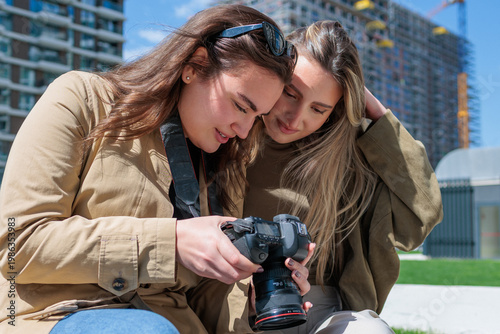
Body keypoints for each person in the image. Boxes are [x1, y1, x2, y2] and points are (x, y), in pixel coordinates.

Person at [0, 5, 314, 333]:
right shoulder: (83, 99)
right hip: (57, 316)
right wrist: (173, 242)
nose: (245, 129)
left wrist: (255, 303)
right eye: (240, 105)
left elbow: (207, 303)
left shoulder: (226, 166)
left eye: (257, 115)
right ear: (195, 64)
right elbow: (16, 244)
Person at [241, 21, 444, 333]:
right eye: (291, 93)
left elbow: (423, 214)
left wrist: (376, 114)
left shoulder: (345, 156)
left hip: (321, 306)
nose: (296, 119)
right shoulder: (231, 133)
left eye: (318, 109)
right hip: (235, 298)